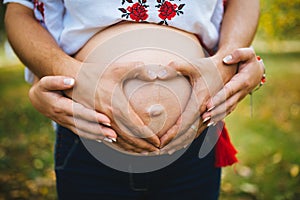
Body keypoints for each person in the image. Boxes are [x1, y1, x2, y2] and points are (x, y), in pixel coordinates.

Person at [4, 0, 264, 199]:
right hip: (87, 135)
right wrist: (73, 74)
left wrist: (227, 61)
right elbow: (20, 9)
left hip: (196, 136)